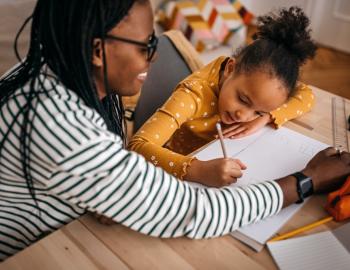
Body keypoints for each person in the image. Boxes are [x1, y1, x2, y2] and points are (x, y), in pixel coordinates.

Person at [0, 0, 349, 261]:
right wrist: (306, 181)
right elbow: (194, 210)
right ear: (98, 50)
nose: (153, 59)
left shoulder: (52, 70)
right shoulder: (68, 132)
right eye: (147, 46)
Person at [128, 7, 317, 187]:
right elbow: (138, 146)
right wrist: (199, 170)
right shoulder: (193, 94)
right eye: (243, 100)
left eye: (258, 111)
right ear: (230, 68)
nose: (244, 117)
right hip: (178, 174)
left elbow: (307, 95)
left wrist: (266, 118)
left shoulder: (259, 83)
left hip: (221, 156)